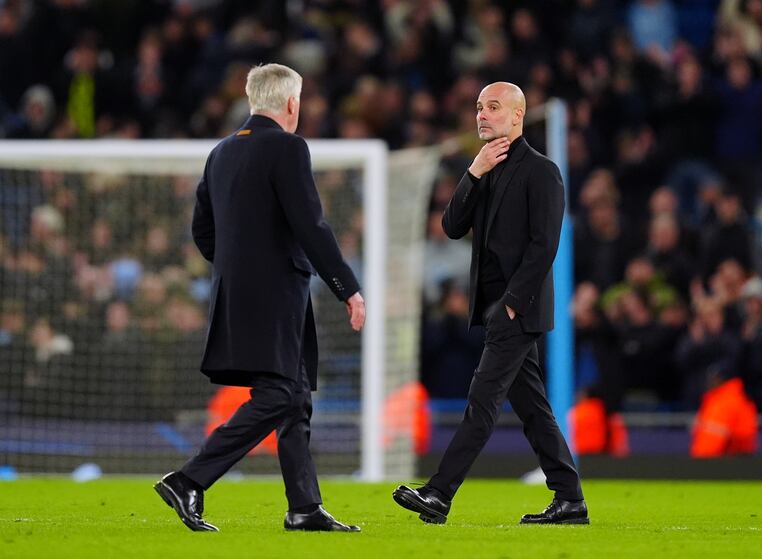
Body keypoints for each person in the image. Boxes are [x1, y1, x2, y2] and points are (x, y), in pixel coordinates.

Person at [154, 63, 365, 533]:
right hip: (277, 295)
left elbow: (202, 231)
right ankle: (189, 478)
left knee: (295, 396)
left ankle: (304, 507)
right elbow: (312, 226)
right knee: (278, 394)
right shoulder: (288, 147)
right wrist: (347, 287)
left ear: (253, 100)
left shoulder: (221, 153)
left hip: (237, 293)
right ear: (292, 104)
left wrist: (238, 267)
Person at [392, 82, 588, 525]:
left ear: (517, 116)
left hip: (516, 308)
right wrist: (473, 173)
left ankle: (439, 494)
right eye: (479, 107)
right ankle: (570, 499)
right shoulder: (484, 167)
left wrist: (513, 303)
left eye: (494, 107)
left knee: (482, 402)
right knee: (533, 409)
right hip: (494, 307)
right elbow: (450, 225)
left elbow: (545, 245)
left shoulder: (541, 171)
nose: (483, 114)